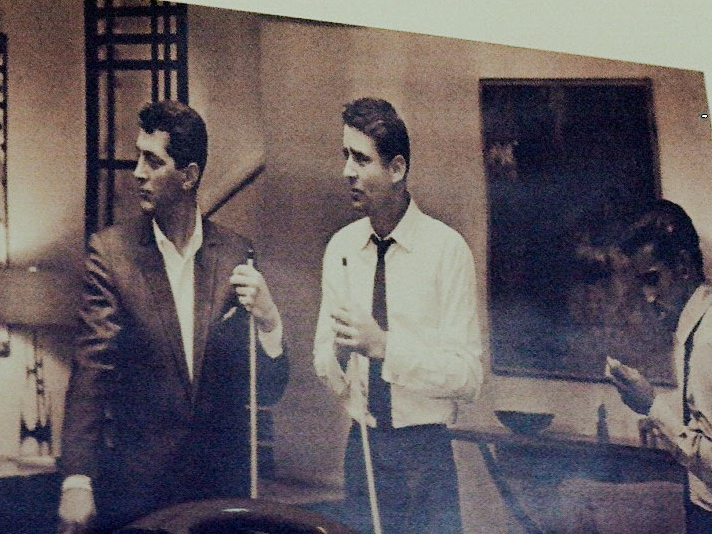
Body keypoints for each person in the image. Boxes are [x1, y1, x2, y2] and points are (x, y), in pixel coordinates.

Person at [59, 97, 288, 529]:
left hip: (221, 492)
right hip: (138, 493)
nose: (138, 173)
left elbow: (266, 390)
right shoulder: (111, 255)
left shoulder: (237, 252)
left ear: (189, 175)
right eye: (138, 158)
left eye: (153, 161)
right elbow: (91, 370)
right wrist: (77, 478)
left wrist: (269, 321)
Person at [315, 97, 484, 534]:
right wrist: (334, 355)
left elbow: (468, 377)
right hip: (363, 448)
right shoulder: (341, 249)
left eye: (361, 158)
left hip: (424, 455)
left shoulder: (447, 251)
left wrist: (384, 347)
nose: (347, 171)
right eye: (344, 156)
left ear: (396, 168)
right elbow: (324, 363)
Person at [603, 200, 712, 531]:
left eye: (653, 279)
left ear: (684, 266)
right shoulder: (702, 329)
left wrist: (655, 408)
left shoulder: (709, 342)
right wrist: (664, 415)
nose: (648, 297)